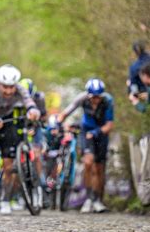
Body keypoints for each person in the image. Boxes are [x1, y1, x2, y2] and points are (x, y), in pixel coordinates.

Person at [0, 64, 40, 215]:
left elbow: (30, 104)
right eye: (5, 87)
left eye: (11, 87)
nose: (9, 91)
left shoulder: (20, 89)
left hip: (6, 121)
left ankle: (5, 199)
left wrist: (33, 111)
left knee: (9, 166)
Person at [58, 78, 114, 213]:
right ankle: (88, 198)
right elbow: (65, 113)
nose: (95, 100)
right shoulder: (82, 98)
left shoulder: (108, 101)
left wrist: (96, 132)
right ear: (88, 95)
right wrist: (58, 124)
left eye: (98, 97)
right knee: (88, 163)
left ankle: (97, 199)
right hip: (86, 131)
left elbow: (109, 125)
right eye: (93, 97)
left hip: (101, 133)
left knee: (99, 168)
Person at [18, 78, 48, 203]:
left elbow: (44, 118)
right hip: (21, 125)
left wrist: (35, 126)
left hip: (36, 127)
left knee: (36, 156)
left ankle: (41, 183)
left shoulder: (39, 98)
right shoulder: (15, 96)